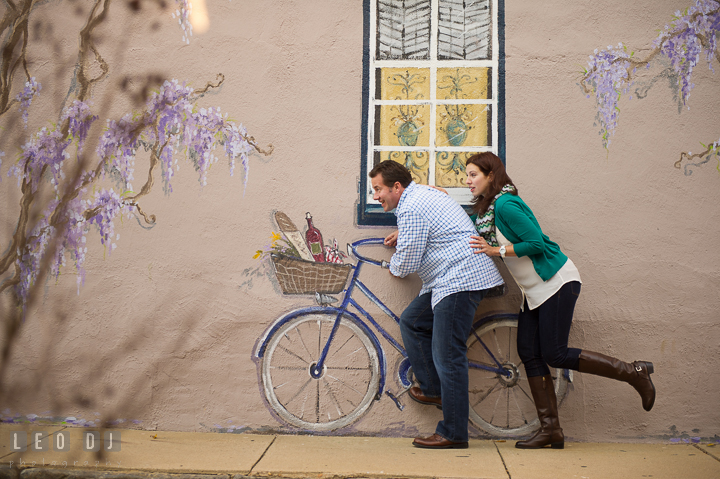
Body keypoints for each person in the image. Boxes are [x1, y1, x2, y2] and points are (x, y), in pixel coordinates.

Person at [464, 152, 656, 449]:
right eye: (466, 175)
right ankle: (550, 430)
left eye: (473, 174)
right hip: (535, 291)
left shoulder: (505, 204)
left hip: (557, 282)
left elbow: (536, 243)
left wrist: (496, 252)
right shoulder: (489, 211)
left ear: (491, 176)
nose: (468, 181)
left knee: (554, 353)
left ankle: (634, 372)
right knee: (529, 350)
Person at [369, 160, 504, 449]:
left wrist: (395, 265)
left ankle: (454, 433)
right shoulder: (421, 197)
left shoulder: (411, 207)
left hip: (460, 280)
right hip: (448, 280)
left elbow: (407, 261)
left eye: (378, 189)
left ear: (396, 187)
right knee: (413, 321)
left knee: (448, 356)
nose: (375, 196)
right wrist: (404, 234)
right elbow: (428, 230)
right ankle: (435, 390)